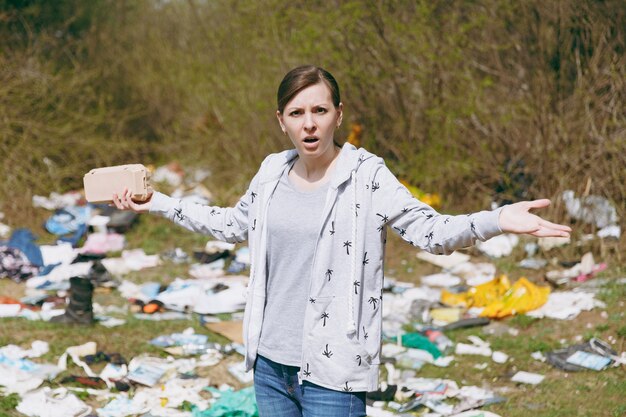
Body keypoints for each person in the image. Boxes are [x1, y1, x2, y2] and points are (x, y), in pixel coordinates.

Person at [113, 65, 571, 417]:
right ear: (281, 121)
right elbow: (232, 224)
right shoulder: (271, 172)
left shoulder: (367, 176)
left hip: (335, 370)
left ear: (338, 114)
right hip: (271, 365)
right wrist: (156, 202)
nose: (309, 123)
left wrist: (496, 219)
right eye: (297, 113)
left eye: (319, 110)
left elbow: (429, 232)